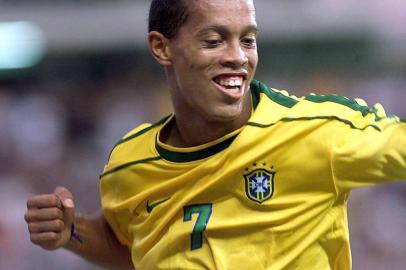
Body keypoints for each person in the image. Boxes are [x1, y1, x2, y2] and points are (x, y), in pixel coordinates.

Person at [24, 0, 406, 269]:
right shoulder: (129, 163)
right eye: (214, 41)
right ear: (161, 48)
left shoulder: (319, 132)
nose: (238, 56)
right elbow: (130, 248)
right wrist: (72, 232)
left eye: (248, 39)